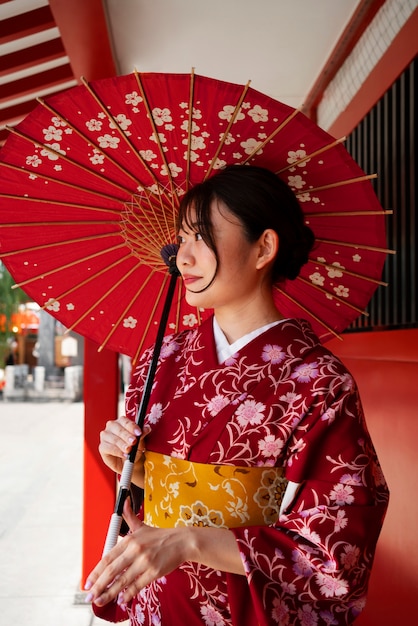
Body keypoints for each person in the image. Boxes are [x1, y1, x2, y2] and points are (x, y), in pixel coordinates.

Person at [84, 165, 389, 625]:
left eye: (202, 237)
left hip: (245, 606)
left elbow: (335, 550)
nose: (181, 258)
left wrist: (191, 540)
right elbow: (158, 502)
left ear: (264, 247)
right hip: (160, 603)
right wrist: (136, 470)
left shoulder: (319, 380)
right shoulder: (159, 359)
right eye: (181, 238)